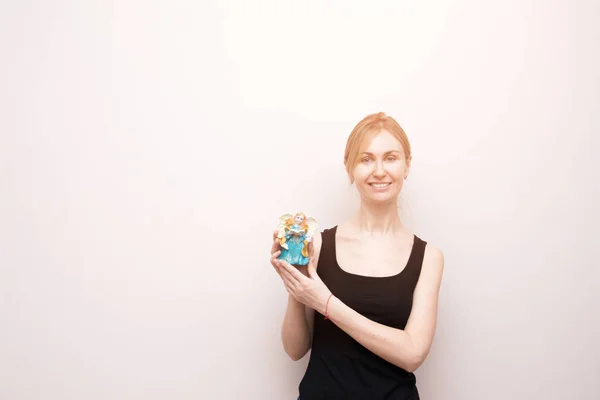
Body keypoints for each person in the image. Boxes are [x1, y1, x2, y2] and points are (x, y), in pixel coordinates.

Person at [269, 112, 445, 400]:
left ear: (407, 165)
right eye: (365, 159)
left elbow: (412, 353)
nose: (379, 171)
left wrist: (324, 302)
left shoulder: (429, 258)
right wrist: (296, 285)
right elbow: (294, 349)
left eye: (390, 157)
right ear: (349, 169)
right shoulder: (319, 244)